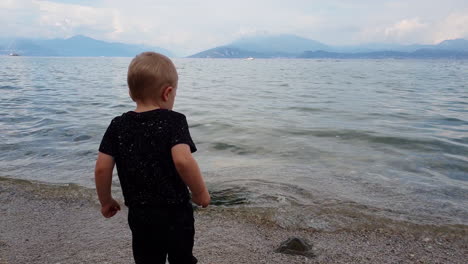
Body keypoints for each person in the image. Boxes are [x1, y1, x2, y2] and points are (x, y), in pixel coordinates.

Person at [94, 52, 210, 264]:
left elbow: (102, 168)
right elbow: (183, 161)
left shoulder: (118, 125)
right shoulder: (174, 121)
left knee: (147, 259)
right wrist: (200, 193)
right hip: (176, 212)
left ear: (131, 92)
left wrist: (106, 201)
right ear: (168, 92)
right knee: (182, 258)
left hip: (140, 214)